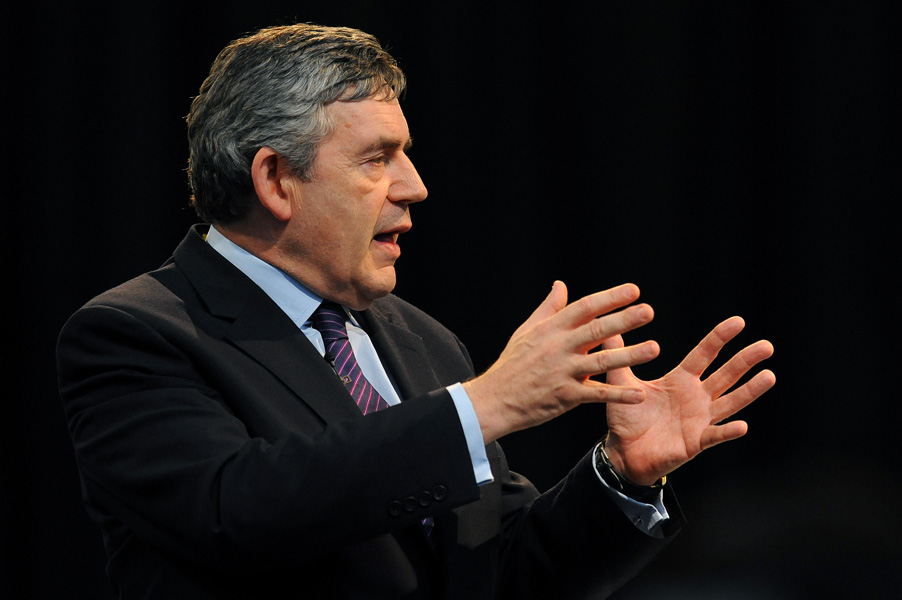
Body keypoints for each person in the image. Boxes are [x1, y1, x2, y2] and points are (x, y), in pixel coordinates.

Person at [56, 24, 776, 600]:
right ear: (276, 178)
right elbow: (236, 512)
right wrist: (483, 406)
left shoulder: (420, 338)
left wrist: (620, 475)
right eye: (378, 158)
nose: (416, 186)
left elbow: (500, 571)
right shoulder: (137, 334)